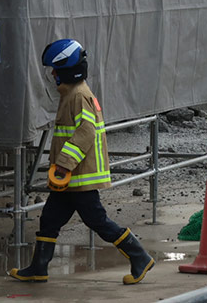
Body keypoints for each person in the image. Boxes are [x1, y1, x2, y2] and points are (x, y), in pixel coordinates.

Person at [9, 38, 155, 285]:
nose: (53, 74)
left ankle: (139, 256)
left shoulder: (79, 96)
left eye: (55, 69)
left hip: (79, 177)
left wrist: (64, 163)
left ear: (66, 70)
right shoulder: (73, 94)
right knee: (49, 219)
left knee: (97, 221)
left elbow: (86, 132)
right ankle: (38, 267)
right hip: (71, 178)